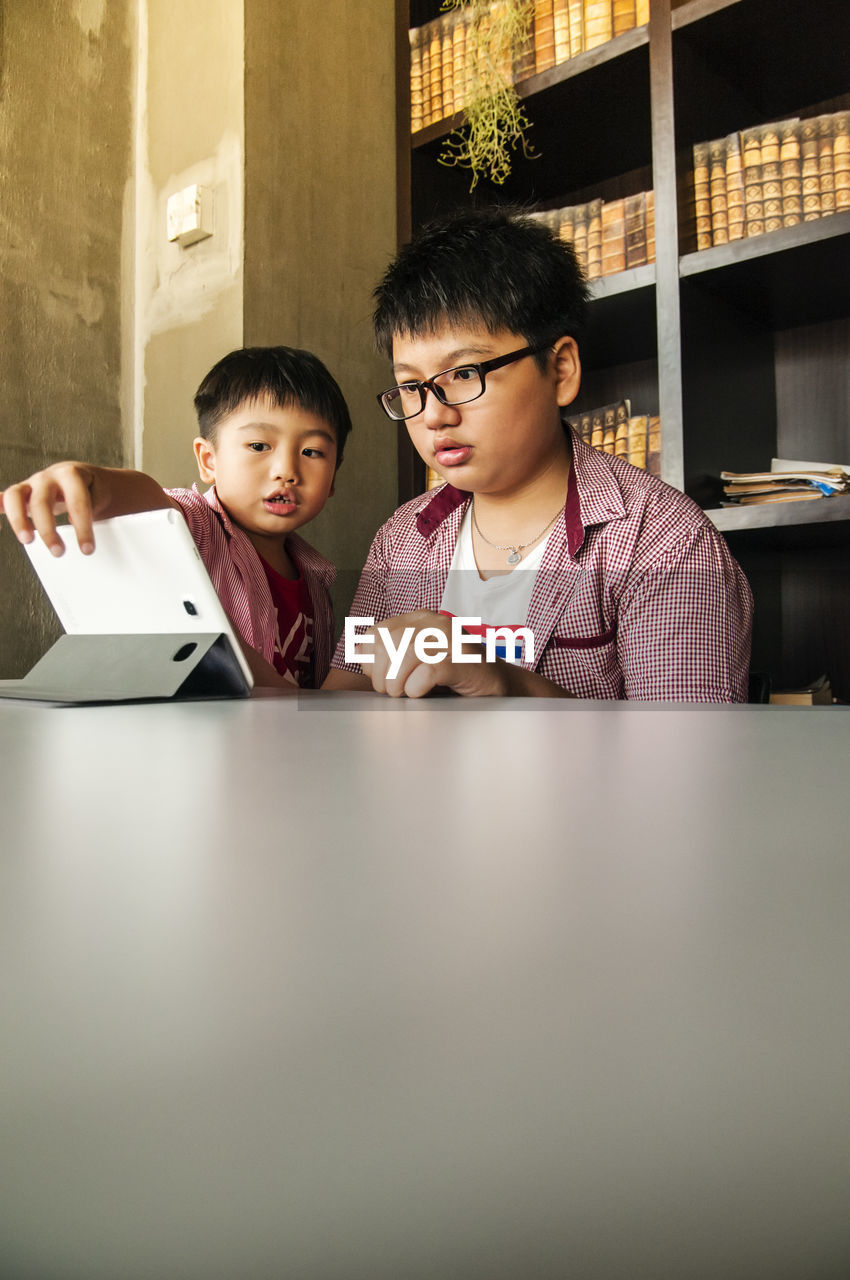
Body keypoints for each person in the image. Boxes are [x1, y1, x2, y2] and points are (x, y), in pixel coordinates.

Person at [324, 206, 752, 700]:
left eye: (463, 373)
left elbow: (685, 760)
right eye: (411, 386)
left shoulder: (664, 543)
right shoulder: (401, 540)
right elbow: (344, 695)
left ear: (561, 369)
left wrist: (507, 685)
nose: (433, 415)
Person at [0, 346, 351, 689]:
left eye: (312, 452)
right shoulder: (197, 525)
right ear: (209, 460)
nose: (286, 470)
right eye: (259, 446)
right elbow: (150, 499)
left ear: (333, 477)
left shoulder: (318, 579)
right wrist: (92, 483)